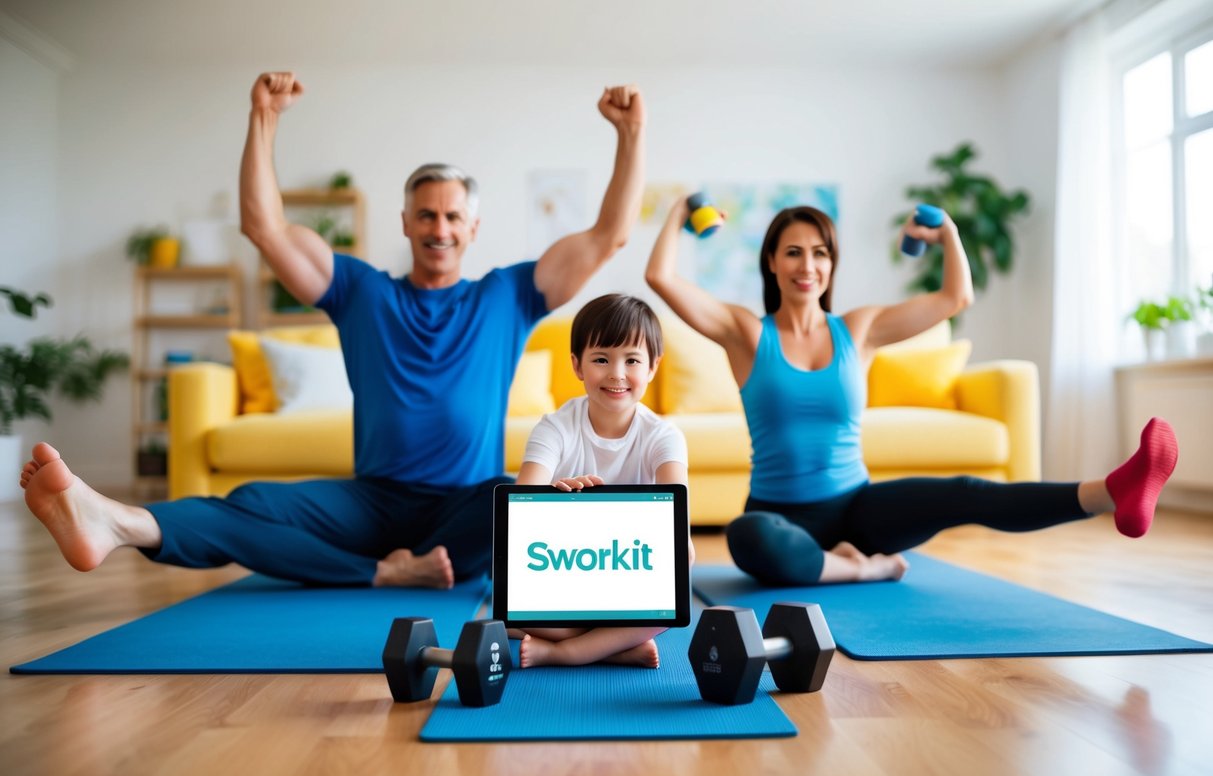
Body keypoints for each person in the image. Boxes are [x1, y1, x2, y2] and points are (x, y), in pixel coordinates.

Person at [20, 71, 646, 589]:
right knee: (255, 503)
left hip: (463, 507)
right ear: (405, 222)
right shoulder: (361, 290)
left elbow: (609, 236)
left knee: (518, 499)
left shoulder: (510, 293)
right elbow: (264, 229)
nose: (440, 228)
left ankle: (376, 570)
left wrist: (630, 134)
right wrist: (263, 119)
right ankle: (118, 524)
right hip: (371, 503)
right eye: (426, 214)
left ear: (473, 228)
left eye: (453, 215)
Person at [644, 197, 1179, 586]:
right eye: (793, 253)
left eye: (820, 254)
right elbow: (660, 277)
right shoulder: (746, 333)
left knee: (966, 491)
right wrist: (677, 214)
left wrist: (945, 231)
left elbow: (955, 295)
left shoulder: (859, 328)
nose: (807, 266)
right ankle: (859, 570)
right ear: (771, 262)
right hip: (779, 518)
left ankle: (1111, 492)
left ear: (832, 265)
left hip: (858, 510)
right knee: (745, 536)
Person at [512, 294, 692, 668]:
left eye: (632, 360)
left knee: (669, 593)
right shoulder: (554, 428)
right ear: (577, 366)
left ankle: (568, 651)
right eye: (601, 359)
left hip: (627, 574)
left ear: (653, 366)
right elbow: (518, 513)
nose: (616, 373)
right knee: (509, 602)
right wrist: (554, 503)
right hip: (566, 570)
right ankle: (616, 647)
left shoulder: (664, 437)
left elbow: (679, 539)